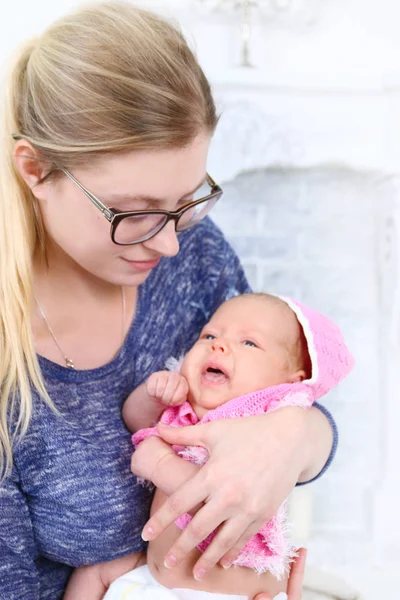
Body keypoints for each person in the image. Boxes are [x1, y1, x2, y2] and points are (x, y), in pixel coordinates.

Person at [0, 2, 339, 599]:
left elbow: (293, 391)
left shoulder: (198, 254)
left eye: (188, 200)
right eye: (135, 212)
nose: (170, 243)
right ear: (35, 169)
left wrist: (294, 438)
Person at [64, 293, 353, 599]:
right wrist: (155, 396)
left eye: (249, 343)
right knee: (91, 572)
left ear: (290, 382)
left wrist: (162, 466)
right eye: (209, 335)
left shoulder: (263, 423)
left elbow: (222, 503)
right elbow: (134, 419)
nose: (219, 345)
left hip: (227, 594)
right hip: (155, 579)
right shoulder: (187, 405)